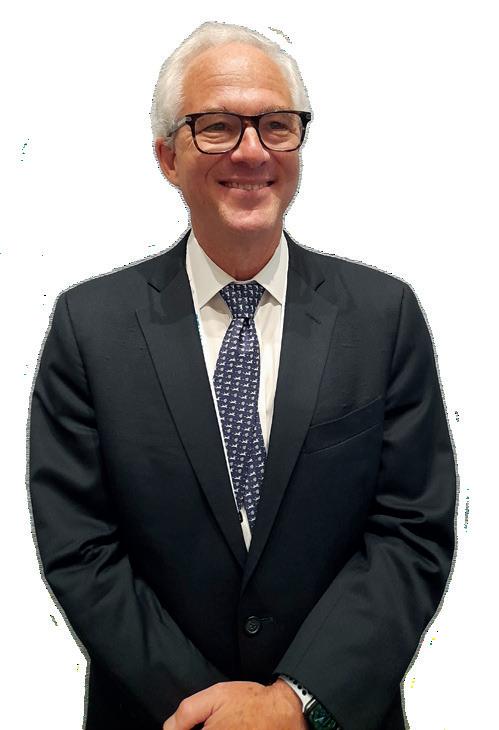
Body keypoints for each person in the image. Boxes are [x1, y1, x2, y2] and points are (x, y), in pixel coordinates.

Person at [29, 21, 456, 730]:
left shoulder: (383, 317)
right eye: (218, 127)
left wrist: (295, 701)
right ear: (167, 156)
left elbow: (410, 531)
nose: (252, 151)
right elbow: (81, 547)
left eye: (276, 125)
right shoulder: (89, 328)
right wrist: (216, 715)